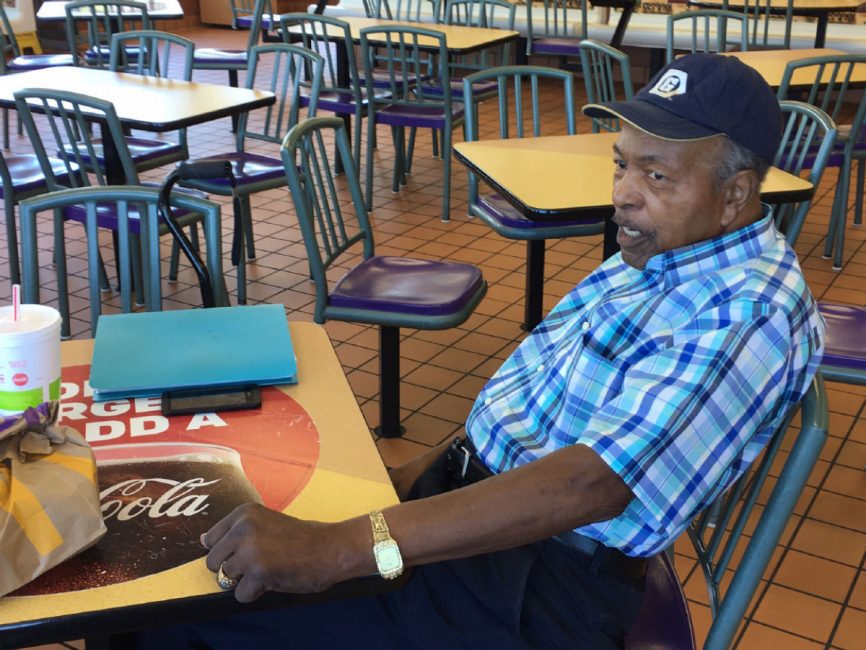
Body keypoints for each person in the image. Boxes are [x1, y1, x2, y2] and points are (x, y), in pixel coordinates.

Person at [138, 53, 825, 649]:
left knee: (172, 616)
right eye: (621, 165)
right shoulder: (658, 252)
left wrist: (340, 547)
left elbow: (592, 483)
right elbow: (523, 403)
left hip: (539, 591)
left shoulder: (749, 309)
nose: (622, 194)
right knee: (195, 550)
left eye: (656, 177)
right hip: (484, 524)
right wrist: (399, 486)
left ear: (735, 195)